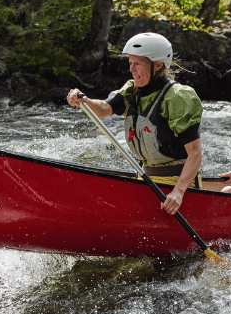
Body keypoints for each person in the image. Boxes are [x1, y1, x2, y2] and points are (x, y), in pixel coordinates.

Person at [66, 32, 203, 216]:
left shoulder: (178, 97)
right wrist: (85, 101)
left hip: (175, 185)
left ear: (158, 65)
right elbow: (105, 108)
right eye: (130, 63)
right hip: (147, 178)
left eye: (137, 63)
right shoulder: (132, 90)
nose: (132, 69)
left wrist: (178, 192)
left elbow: (195, 153)